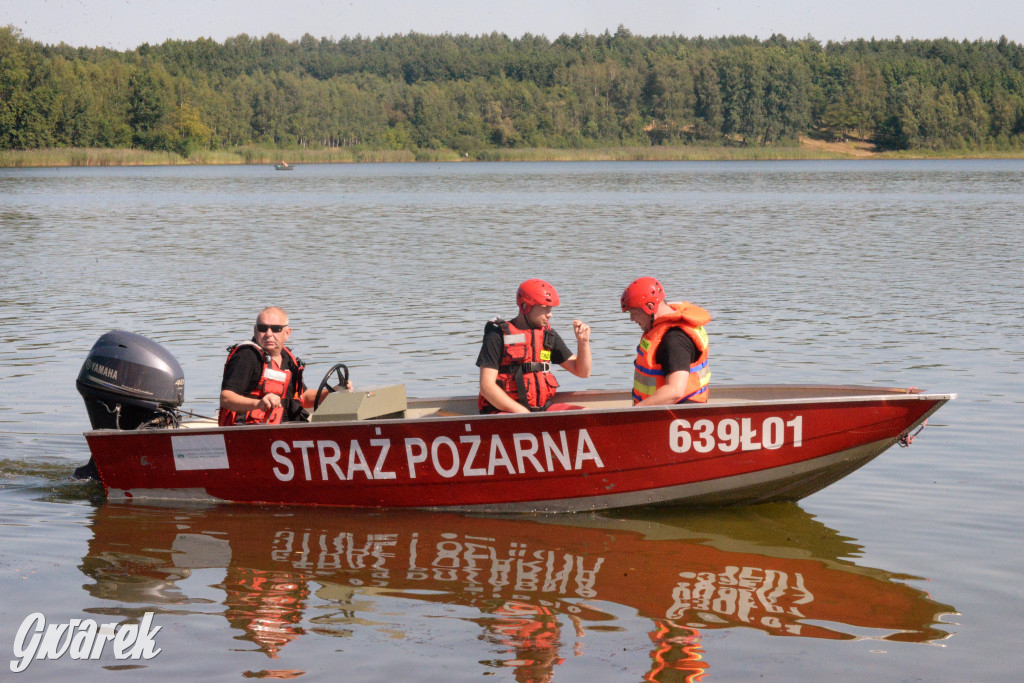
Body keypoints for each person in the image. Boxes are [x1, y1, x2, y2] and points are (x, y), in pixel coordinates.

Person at [476, 279, 591, 414]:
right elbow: (486, 387)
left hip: (541, 409)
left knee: (588, 415)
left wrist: (583, 342)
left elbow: (582, 372)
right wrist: (523, 414)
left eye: (550, 308)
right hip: (507, 413)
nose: (550, 314)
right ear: (525, 307)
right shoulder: (496, 335)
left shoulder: (548, 335)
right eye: (544, 308)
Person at [219, 307, 349, 425]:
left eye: (276, 329)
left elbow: (303, 397)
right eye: (263, 328)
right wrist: (258, 403)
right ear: (255, 330)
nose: (269, 334)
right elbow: (226, 398)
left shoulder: (288, 359)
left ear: (287, 333)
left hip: (279, 430)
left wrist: (332, 391)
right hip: (246, 431)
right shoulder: (247, 356)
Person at [620, 277, 710, 406]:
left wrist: (633, 412)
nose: (631, 319)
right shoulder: (665, 331)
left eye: (634, 312)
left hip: (678, 416)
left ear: (650, 307)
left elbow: (675, 391)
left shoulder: (674, 339)